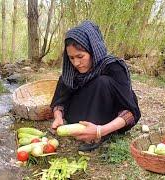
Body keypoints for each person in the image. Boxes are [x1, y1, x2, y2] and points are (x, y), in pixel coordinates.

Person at [50, 20, 141, 151]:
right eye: (71, 58)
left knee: (102, 82)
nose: (76, 63)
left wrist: (99, 131)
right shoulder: (70, 72)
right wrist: (58, 117)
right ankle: (85, 130)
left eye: (80, 56)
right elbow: (60, 101)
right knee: (67, 78)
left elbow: (131, 112)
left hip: (110, 118)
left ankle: (96, 135)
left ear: (93, 51)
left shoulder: (113, 67)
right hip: (80, 116)